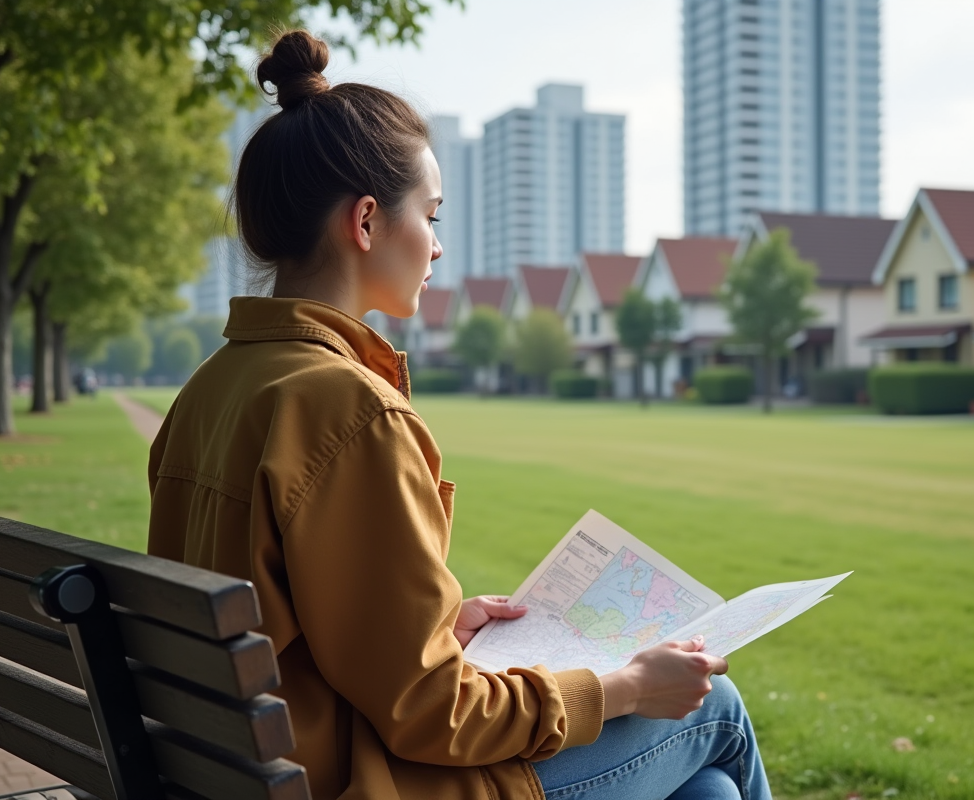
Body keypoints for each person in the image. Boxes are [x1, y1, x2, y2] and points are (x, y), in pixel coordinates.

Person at [146, 30, 771, 800]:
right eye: (432, 216)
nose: (438, 247)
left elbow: (314, 634)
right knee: (719, 714)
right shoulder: (352, 413)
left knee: (709, 794)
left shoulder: (211, 390)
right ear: (367, 222)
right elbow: (432, 715)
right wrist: (627, 689)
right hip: (362, 781)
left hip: (232, 772)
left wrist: (439, 630)